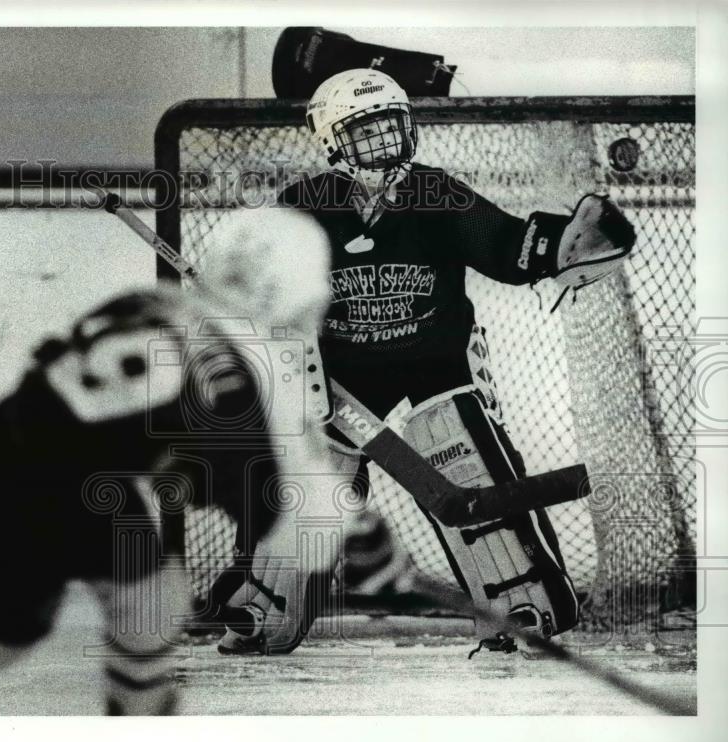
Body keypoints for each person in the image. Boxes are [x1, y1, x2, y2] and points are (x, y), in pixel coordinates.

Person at [0, 209, 352, 712]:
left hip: (29, 457)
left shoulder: (150, 303)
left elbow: (114, 416)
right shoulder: (232, 381)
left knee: (29, 633)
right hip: (37, 480)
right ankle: (140, 740)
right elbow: (277, 515)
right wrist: (362, 547)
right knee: (94, 617)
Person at [268, 68, 636, 653]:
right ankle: (268, 613)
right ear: (332, 139)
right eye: (368, 131)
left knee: (466, 469)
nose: (386, 142)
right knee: (306, 491)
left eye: (393, 126)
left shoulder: (436, 192)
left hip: (432, 362)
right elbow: (261, 283)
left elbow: (508, 246)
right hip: (339, 376)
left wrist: (558, 244)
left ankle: (518, 610)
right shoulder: (302, 206)